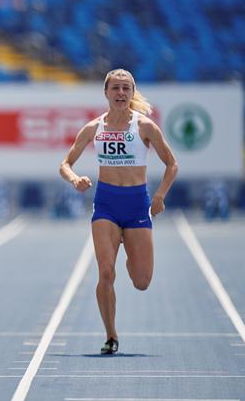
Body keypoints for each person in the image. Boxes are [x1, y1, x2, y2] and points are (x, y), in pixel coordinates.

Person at [59, 69, 178, 354]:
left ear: (132, 93)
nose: (121, 93)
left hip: (137, 205)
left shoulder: (145, 127)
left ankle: (130, 255)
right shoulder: (93, 128)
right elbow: (65, 163)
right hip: (107, 205)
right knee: (106, 271)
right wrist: (75, 179)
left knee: (141, 281)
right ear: (106, 93)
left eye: (126, 89)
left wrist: (160, 195)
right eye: (116, 88)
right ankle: (111, 335)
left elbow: (171, 164)